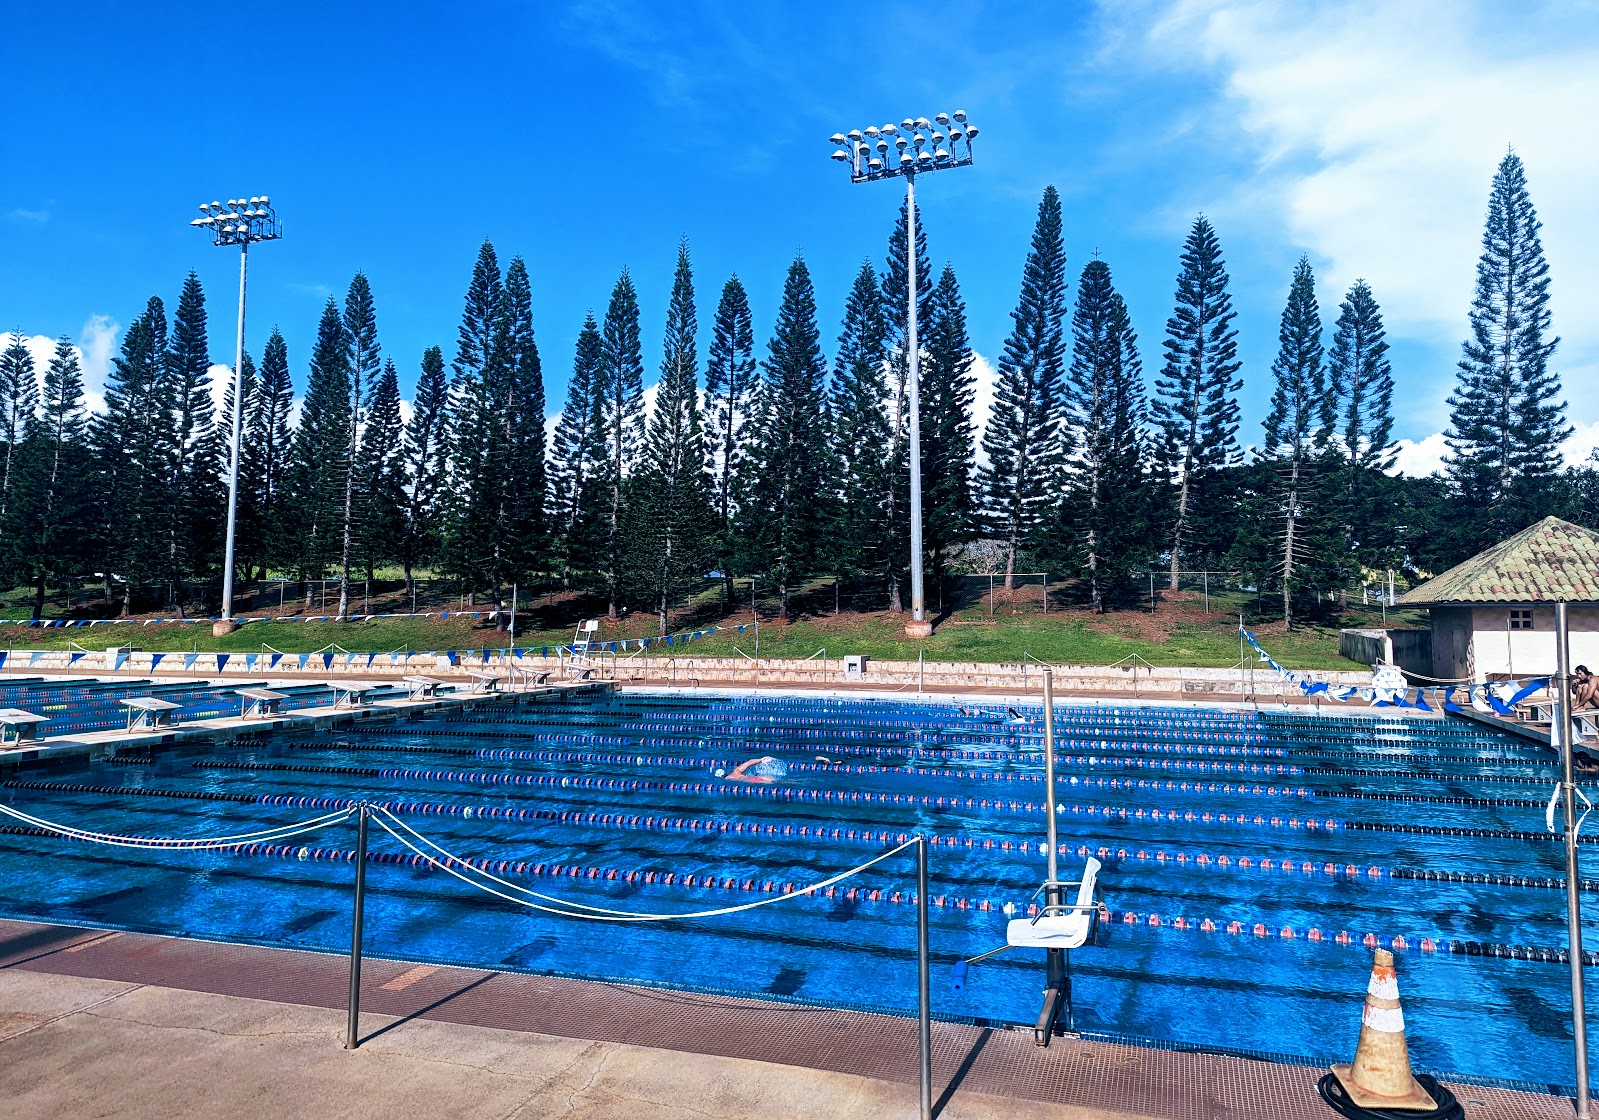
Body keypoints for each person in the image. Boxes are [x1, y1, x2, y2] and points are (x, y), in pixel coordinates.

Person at [716, 756, 786, 784]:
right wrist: (761, 760)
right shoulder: (736, 771)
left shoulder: (728, 780)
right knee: (782, 781)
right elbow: (749, 762)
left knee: (780, 783)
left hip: (754, 781)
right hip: (759, 777)